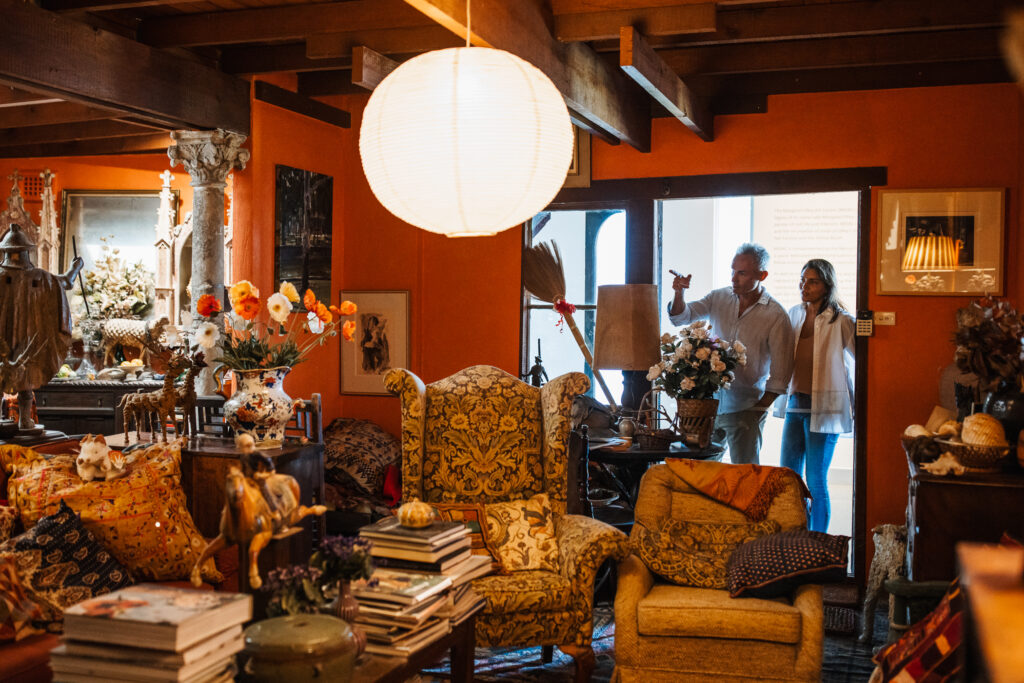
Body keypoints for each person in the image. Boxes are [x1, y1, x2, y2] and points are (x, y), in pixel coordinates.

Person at [668, 242, 794, 464]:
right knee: (703, 473)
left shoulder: (776, 315)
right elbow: (682, 317)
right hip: (709, 406)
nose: (734, 278)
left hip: (746, 408)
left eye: (742, 273)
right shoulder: (719, 298)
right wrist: (679, 293)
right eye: (733, 271)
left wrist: (757, 411)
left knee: (744, 477)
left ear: (762, 275)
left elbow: (781, 374)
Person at [775, 259, 855, 533]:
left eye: (812, 282)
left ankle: (818, 542)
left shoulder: (842, 321)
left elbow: (863, 362)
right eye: (802, 281)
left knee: (816, 479)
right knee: (789, 476)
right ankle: (796, 537)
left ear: (827, 285)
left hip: (826, 406)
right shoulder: (794, 315)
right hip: (796, 402)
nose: (804, 286)